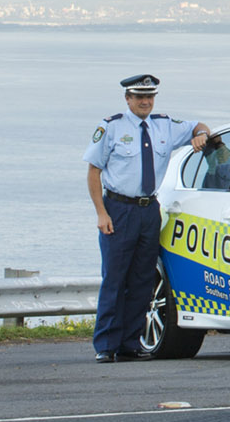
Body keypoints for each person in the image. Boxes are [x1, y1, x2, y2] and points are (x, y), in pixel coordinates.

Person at [83, 74, 210, 363]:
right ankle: (106, 345)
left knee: (142, 279)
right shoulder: (112, 127)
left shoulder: (164, 125)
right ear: (127, 99)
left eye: (150, 97)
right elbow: (93, 171)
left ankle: (131, 344)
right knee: (115, 279)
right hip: (119, 209)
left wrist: (202, 134)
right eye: (139, 97)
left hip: (149, 210)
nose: (145, 102)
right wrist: (101, 213)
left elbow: (198, 126)